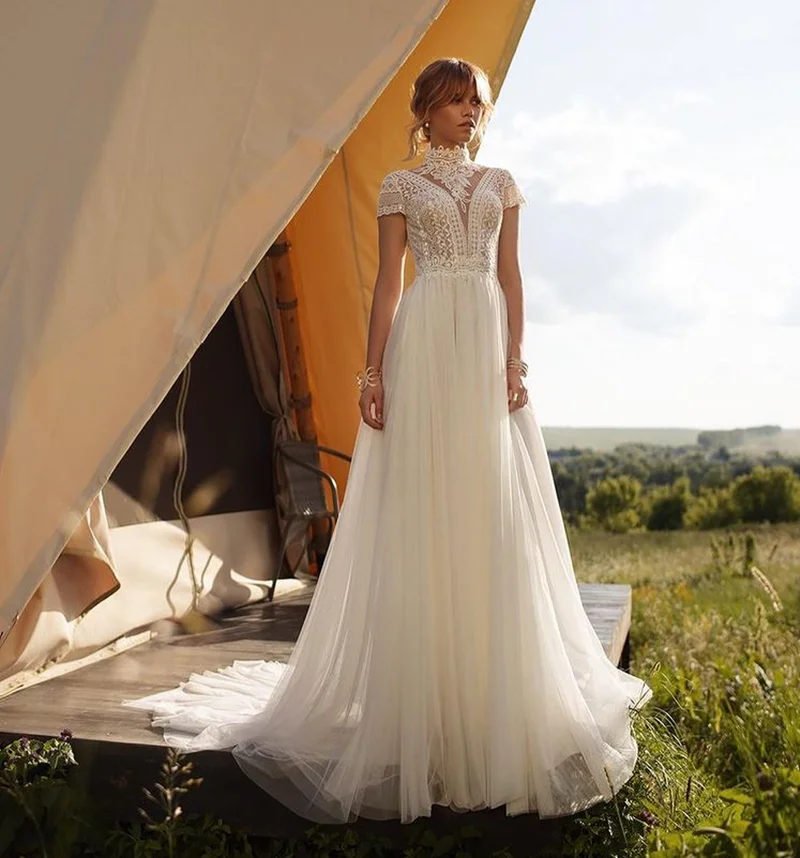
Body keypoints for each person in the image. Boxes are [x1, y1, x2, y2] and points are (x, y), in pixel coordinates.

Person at [125, 57, 653, 825]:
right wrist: (371, 375)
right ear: (426, 111)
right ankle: (426, 697)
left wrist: (514, 361)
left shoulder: (503, 183)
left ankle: (487, 693)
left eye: (476, 100)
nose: (469, 111)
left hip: (481, 349)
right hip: (424, 348)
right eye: (454, 100)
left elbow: (512, 278)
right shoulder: (399, 188)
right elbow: (387, 286)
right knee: (423, 507)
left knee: (488, 510)